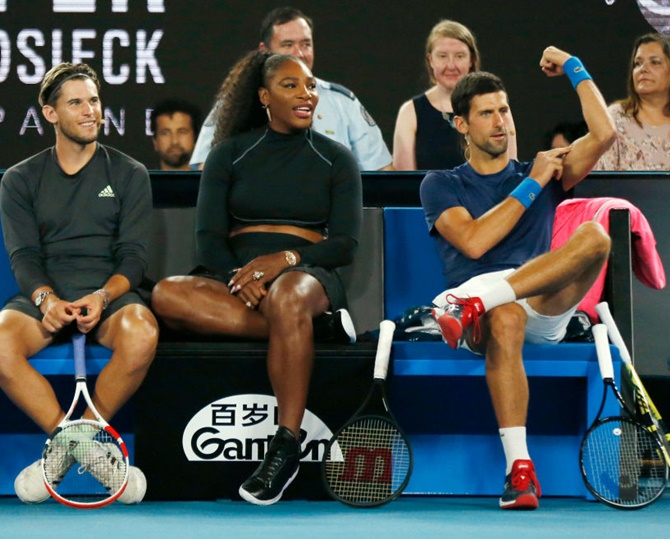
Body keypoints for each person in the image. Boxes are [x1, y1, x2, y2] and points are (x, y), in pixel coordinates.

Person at [151, 50, 362, 506]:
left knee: (288, 297)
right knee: (166, 294)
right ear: (265, 97)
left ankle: (285, 444)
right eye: (291, 86)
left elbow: (344, 244)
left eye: (310, 86)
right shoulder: (228, 154)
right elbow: (208, 241)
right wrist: (237, 276)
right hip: (236, 281)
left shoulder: (337, 158)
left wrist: (284, 259)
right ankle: (314, 331)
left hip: (307, 274)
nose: (306, 95)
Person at [420, 47, 616, 509]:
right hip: (483, 312)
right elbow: (473, 243)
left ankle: (479, 302)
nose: (500, 122)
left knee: (594, 236)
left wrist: (573, 65)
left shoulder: (542, 168)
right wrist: (533, 185)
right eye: (486, 113)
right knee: (505, 315)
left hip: (538, 307)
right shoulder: (440, 182)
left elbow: (605, 132)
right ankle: (520, 472)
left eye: (504, 110)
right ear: (462, 125)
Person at [0, 63, 159, 504]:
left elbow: (134, 257)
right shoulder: (19, 179)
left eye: (94, 100)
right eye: (76, 102)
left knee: (142, 332)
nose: (91, 111)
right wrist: (46, 299)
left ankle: (69, 448)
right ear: (50, 114)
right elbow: (24, 257)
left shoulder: (129, 173)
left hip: (109, 295)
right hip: (44, 298)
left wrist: (103, 295)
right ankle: (88, 450)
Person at [190, 6, 392, 171]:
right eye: (288, 45)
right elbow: (205, 169)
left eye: (306, 44)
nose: (299, 54)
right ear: (264, 51)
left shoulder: (343, 102)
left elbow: (383, 172)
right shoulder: (237, 101)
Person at [393, 20, 517, 170]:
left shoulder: (498, 107)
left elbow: (511, 170)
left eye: (459, 56)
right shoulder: (410, 112)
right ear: (430, 60)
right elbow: (404, 184)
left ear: (471, 59)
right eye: (443, 56)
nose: (451, 65)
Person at [595, 33, 670, 170]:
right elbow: (601, 182)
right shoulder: (615, 117)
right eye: (638, 63)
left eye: (655, 62)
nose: (643, 69)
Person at [149, 98, 201, 170]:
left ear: (195, 138)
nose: (174, 141)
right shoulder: (142, 180)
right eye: (165, 133)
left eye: (182, 132)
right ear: (155, 142)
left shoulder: (208, 180)